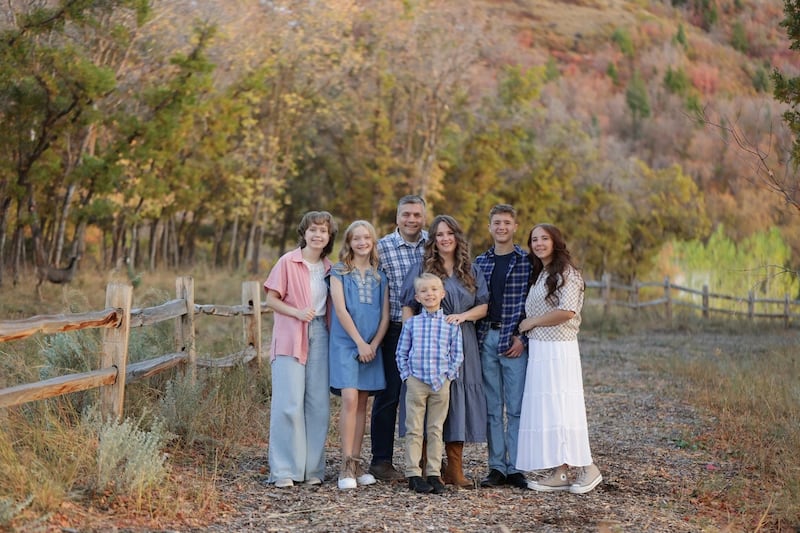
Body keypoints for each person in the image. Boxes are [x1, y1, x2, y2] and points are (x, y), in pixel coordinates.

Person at [400, 215, 488, 489]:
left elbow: (484, 307)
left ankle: (455, 467)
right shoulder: (421, 267)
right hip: (426, 348)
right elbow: (407, 306)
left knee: (457, 400)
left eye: (449, 233)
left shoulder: (471, 270)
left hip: (462, 341)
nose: (445, 238)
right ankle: (426, 467)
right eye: (439, 234)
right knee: (423, 407)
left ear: (457, 236)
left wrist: (462, 317)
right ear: (433, 240)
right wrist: (411, 337)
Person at [516, 223, 603, 494]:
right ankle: (561, 471)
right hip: (541, 349)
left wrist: (531, 323)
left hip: (560, 349)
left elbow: (566, 311)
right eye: (534, 240)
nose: (539, 243)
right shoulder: (541, 273)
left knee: (565, 407)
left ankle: (588, 467)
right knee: (550, 410)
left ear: (555, 241)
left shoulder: (568, 273)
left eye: (544, 238)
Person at [263, 210, 338, 488]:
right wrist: (296, 312)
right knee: (288, 402)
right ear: (304, 233)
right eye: (313, 230)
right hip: (290, 333)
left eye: (323, 231)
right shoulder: (287, 262)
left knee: (317, 404)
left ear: (329, 237)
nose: (318, 235)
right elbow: (271, 299)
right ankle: (284, 470)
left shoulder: (332, 269)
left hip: (322, 333)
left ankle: (312, 470)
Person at [369, 195, 428, 481]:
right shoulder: (382, 248)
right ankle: (381, 460)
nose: (411, 219)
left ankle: (426, 460)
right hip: (394, 329)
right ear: (397, 217)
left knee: (428, 393)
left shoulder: (434, 244)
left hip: (430, 330)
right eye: (406, 214)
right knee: (389, 394)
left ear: (424, 217)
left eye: (417, 214)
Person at [328, 221, 390, 490]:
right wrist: (359, 343)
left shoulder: (380, 275)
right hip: (346, 344)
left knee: (364, 405)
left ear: (373, 241)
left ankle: (357, 462)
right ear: (349, 242)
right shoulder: (339, 271)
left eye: (367, 237)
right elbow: (340, 311)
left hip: (372, 346)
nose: (362, 242)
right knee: (350, 399)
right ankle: (345, 464)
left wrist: (373, 344)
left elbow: (385, 314)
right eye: (356, 238)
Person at [474, 204, 532, 489]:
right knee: (493, 407)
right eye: (496, 222)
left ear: (515, 226)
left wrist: (524, 338)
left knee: (517, 407)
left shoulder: (527, 261)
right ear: (490, 227)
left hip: (515, 341)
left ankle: (516, 467)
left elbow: (535, 304)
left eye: (507, 222)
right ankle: (496, 467)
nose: (501, 227)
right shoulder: (480, 263)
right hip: (487, 339)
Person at [396, 273, 464, 494]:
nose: (429, 294)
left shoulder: (451, 324)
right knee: (414, 429)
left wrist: (448, 376)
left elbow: (457, 354)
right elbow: (401, 352)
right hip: (416, 381)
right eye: (424, 291)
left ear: (442, 294)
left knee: (436, 429)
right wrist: (407, 375)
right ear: (417, 296)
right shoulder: (412, 324)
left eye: (434, 290)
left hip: (440, 383)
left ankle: (434, 473)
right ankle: (413, 473)